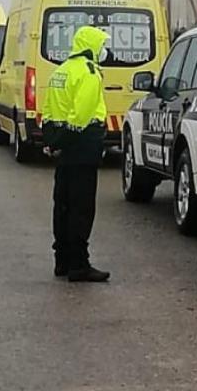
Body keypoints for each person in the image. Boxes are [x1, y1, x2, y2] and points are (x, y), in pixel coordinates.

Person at [42, 25, 111, 283]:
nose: (104, 50)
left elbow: (48, 111)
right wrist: (66, 140)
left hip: (64, 148)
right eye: (101, 44)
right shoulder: (89, 72)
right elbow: (80, 118)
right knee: (81, 208)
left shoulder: (61, 70)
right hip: (82, 145)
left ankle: (62, 260)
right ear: (90, 45)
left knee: (63, 205)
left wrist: (52, 142)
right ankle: (79, 265)